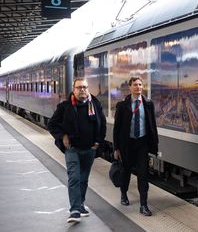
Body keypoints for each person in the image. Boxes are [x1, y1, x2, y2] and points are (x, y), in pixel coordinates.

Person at [47, 77, 106, 223]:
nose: (82, 90)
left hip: (90, 149)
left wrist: (98, 141)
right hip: (72, 149)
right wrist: (62, 136)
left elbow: (102, 123)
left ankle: (80, 204)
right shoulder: (65, 106)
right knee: (74, 178)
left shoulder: (95, 104)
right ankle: (74, 210)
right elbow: (52, 124)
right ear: (74, 90)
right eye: (79, 87)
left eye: (85, 87)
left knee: (84, 179)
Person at [113, 76, 158, 216]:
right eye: (135, 85)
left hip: (142, 143)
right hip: (127, 144)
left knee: (143, 174)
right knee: (125, 171)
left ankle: (143, 205)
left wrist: (154, 145)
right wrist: (116, 148)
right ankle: (123, 194)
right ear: (130, 87)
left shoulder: (148, 104)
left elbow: (152, 126)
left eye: (140, 85)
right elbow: (117, 128)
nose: (138, 87)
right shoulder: (122, 105)